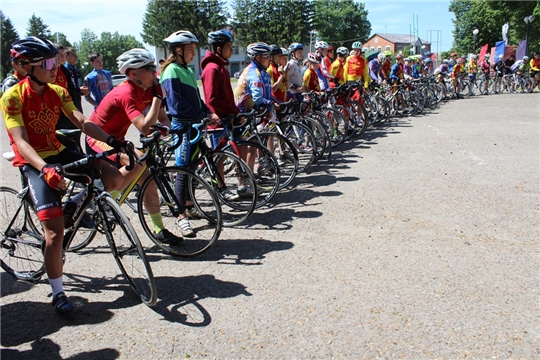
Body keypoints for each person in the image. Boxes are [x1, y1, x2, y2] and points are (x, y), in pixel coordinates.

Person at [1, 36, 125, 314]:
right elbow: (20, 141)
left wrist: (112, 141)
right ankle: (57, 292)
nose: (54, 66)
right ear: (25, 66)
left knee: (112, 176)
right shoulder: (11, 97)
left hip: (57, 151)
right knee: (54, 235)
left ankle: (72, 206)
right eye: (47, 63)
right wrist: (43, 169)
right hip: (33, 161)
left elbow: (82, 121)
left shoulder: (58, 90)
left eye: (55, 61)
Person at [86, 48, 182, 243]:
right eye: (149, 68)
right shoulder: (126, 92)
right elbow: (145, 127)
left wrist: (162, 129)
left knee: (148, 178)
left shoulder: (147, 89)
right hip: (98, 138)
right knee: (138, 161)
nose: (155, 72)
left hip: (118, 140)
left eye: (154, 67)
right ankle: (106, 203)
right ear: (133, 73)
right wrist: (157, 100)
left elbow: (164, 120)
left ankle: (159, 230)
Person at [160, 30, 220, 234]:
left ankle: (188, 204)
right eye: (190, 50)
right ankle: (180, 216)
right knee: (182, 171)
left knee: (193, 168)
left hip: (193, 124)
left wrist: (208, 112)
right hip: (182, 126)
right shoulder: (171, 71)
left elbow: (196, 100)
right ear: (178, 50)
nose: (194, 53)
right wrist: (201, 114)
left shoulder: (185, 70)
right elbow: (176, 106)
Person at [200, 29, 247, 200]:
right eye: (228, 47)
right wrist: (234, 111)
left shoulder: (220, 66)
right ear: (218, 49)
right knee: (219, 157)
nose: (231, 50)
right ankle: (221, 189)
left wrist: (234, 112)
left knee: (232, 150)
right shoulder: (212, 68)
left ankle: (240, 184)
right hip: (218, 120)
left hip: (227, 118)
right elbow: (212, 99)